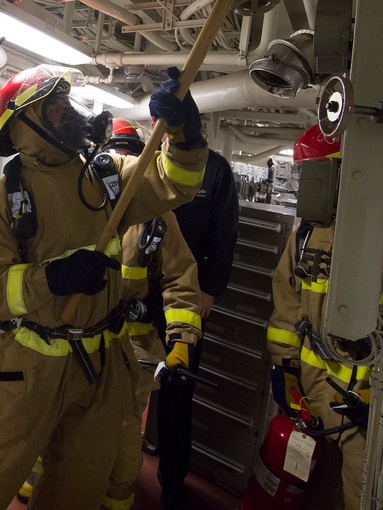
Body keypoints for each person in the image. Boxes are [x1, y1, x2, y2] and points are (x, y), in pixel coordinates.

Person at [0, 65, 209, 510]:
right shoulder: (5, 200)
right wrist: (53, 278)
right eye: (53, 105)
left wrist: (183, 135)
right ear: (22, 124)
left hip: (101, 368)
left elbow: (172, 185)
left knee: (78, 489)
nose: (67, 111)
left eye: (66, 101)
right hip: (30, 371)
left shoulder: (107, 176)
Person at [266, 125, 383, 510]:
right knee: (309, 486)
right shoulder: (304, 233)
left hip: (362, 403)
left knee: (358, 494)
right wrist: (284, 368)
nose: (303, 185)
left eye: (310, 174)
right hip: (310, 389)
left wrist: (382, 398)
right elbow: (287, 304)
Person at [100, 120, 203, 510]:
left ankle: (116, 501)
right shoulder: (84, 200)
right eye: (116, 151)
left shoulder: (159, 217)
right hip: (76, 341)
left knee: (126, 432)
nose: (121, 160)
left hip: (133, 349)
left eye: (130, 152)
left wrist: (180, 339)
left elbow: (181, 276)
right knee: (65, 422)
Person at [143, 129, 238, 510]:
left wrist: (210, 289)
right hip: (135, 292)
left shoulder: (214, 170)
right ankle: (112, 464)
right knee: (116, 379)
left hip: (184, 301)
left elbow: (225, 233)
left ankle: (171, 481)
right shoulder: (145, 160)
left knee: (176, 393)